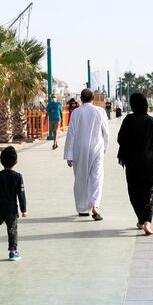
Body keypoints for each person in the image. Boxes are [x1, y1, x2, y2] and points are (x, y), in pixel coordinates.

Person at [117, 92, 153, 236]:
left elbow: (120, 139)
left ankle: (141, 219)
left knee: (135, 191)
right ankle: (147, 221)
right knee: (150, 190)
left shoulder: (128, 120)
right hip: (150, 162)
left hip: (132, 162)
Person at [63, 88, 109, 220]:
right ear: (93, 98)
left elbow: (71, 134)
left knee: (81, 178)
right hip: (96, 149)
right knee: (96, 177)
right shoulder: (100, 111)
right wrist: (104, 148)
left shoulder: (76, 113)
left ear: (81, 99)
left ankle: (83, 209)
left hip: (79, 150)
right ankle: (95, 205)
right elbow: (106, 133)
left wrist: (69, 155)